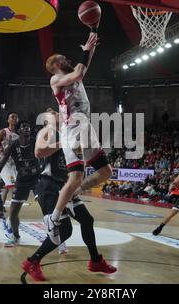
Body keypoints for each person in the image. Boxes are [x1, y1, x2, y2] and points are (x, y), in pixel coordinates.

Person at [22, 109, 116, 281]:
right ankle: (32, 261)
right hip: (48, 185)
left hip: (63, 185)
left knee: (87, 220)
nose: (56, 113)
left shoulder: (67, 133)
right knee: (65, 231)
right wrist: (63, 143)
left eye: (56, 112)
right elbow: (39, 151)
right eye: (51, 113)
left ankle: (95, 261)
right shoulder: (47, 131)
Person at [44, 30, 113, 245]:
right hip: (72, 128)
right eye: (61, 58)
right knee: (75, 176)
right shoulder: (56, 79)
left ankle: (75, 193)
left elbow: (83, 69)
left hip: (84, 125)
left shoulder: (73, 73)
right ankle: (53, 219)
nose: (65, 58)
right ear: (55, 65)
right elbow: (79, 74)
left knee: (105, 171)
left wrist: (90, 48)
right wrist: (86, 52)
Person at [0, 121, 42, 247]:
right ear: (19, 131)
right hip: (21, 179)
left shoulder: (36, 142)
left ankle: (56, 236)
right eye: (24, 127)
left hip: (36, 178)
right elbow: (0, 165)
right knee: (12, 214)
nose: (27, 128)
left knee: (46, 204)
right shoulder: (12, 145)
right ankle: (16, 236)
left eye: (28, 127)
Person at [0, 112, 19, 208]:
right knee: (14, 186)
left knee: (8, 186)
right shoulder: (2, 132)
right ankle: (14, 210)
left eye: (16, 117)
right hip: (5, 163)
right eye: (12, 117)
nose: (14, 118)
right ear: (8, 120)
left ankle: (1, 205)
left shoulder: (18, 136)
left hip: (14, 163)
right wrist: (2, 149)